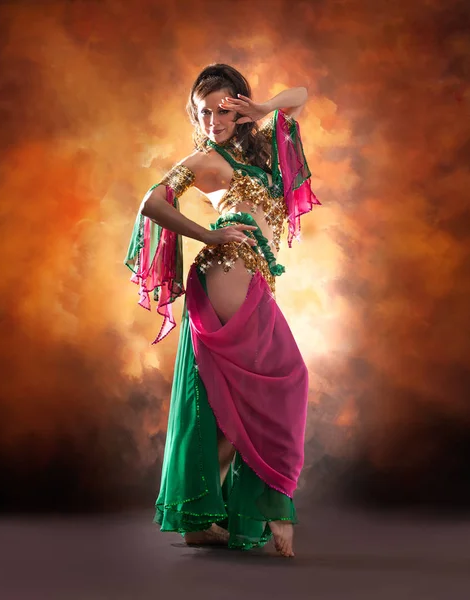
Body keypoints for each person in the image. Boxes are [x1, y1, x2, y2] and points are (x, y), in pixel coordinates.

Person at [125, 63, 320, 558]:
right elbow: (151, 201)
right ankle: (275, 509)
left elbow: (299, 95)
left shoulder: (264, 150)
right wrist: (209, 234)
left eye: (222, 108)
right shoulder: (207, 160)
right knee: (287, 379)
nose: (213, 120)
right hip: (227, 274)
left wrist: (263, 108)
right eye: (203, 112)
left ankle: (201, 519)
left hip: (250, 281)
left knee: (228, 403)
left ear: (239, 106)